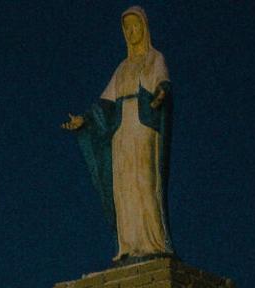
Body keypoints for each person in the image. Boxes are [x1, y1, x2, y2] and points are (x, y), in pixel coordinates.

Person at [63, 5, 173, 262]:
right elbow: (106, 101)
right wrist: (84, 120)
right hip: (122, 131)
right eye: (128, 28)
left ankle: (152, 241)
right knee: (124, 186)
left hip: (144, 126)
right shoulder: (123, 67)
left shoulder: (154, 59)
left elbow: (162, 83)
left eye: (136, 26)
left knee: (144, 181)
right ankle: (129, 244)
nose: (132, 32)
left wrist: (160, 95)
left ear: (144, 29)